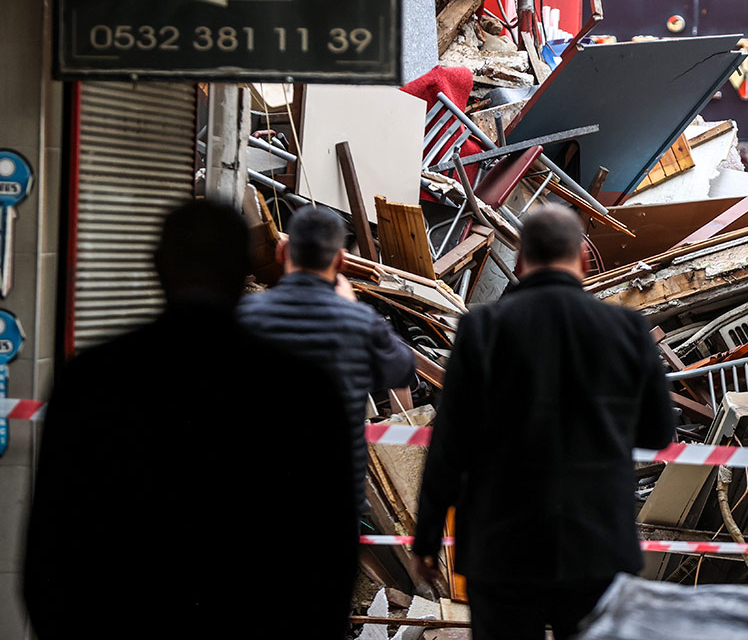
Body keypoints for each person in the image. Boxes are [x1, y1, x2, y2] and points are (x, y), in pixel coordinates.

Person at [24, 201, 359, 640]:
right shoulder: (305, 390)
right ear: (244, 268)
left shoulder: (93, 378)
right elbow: (331, 553)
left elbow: (50, 546)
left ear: (158, 265)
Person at [412, 205, 675, 640]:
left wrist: (426, 540)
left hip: (502, 546)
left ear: (518, 262)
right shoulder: (625, 328)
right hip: (596, 544)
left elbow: (450, 446)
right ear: (584, 260)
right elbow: (658, 433)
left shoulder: (483, 328)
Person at [238, 205, 416, 512]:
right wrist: (353, 306)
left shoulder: (244, 316)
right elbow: (402, 371)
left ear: (281, 252)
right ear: (341, 260)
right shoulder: (360, 322)